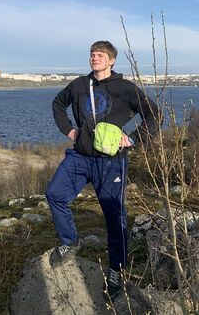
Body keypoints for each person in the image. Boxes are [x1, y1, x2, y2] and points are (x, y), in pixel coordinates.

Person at [46, 40, 159, 300]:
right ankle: (70, 241)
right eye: (92, 54)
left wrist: (133, 139)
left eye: (100, 55)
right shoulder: (78, 85)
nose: (95, 58)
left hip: (111, 162)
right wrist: (69, 130)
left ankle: (116, 270)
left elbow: (154, 115)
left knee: (114, 217)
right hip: (80, 157)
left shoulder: (125, 88)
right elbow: (58, 104)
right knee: (55, 194)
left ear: (111, 60)